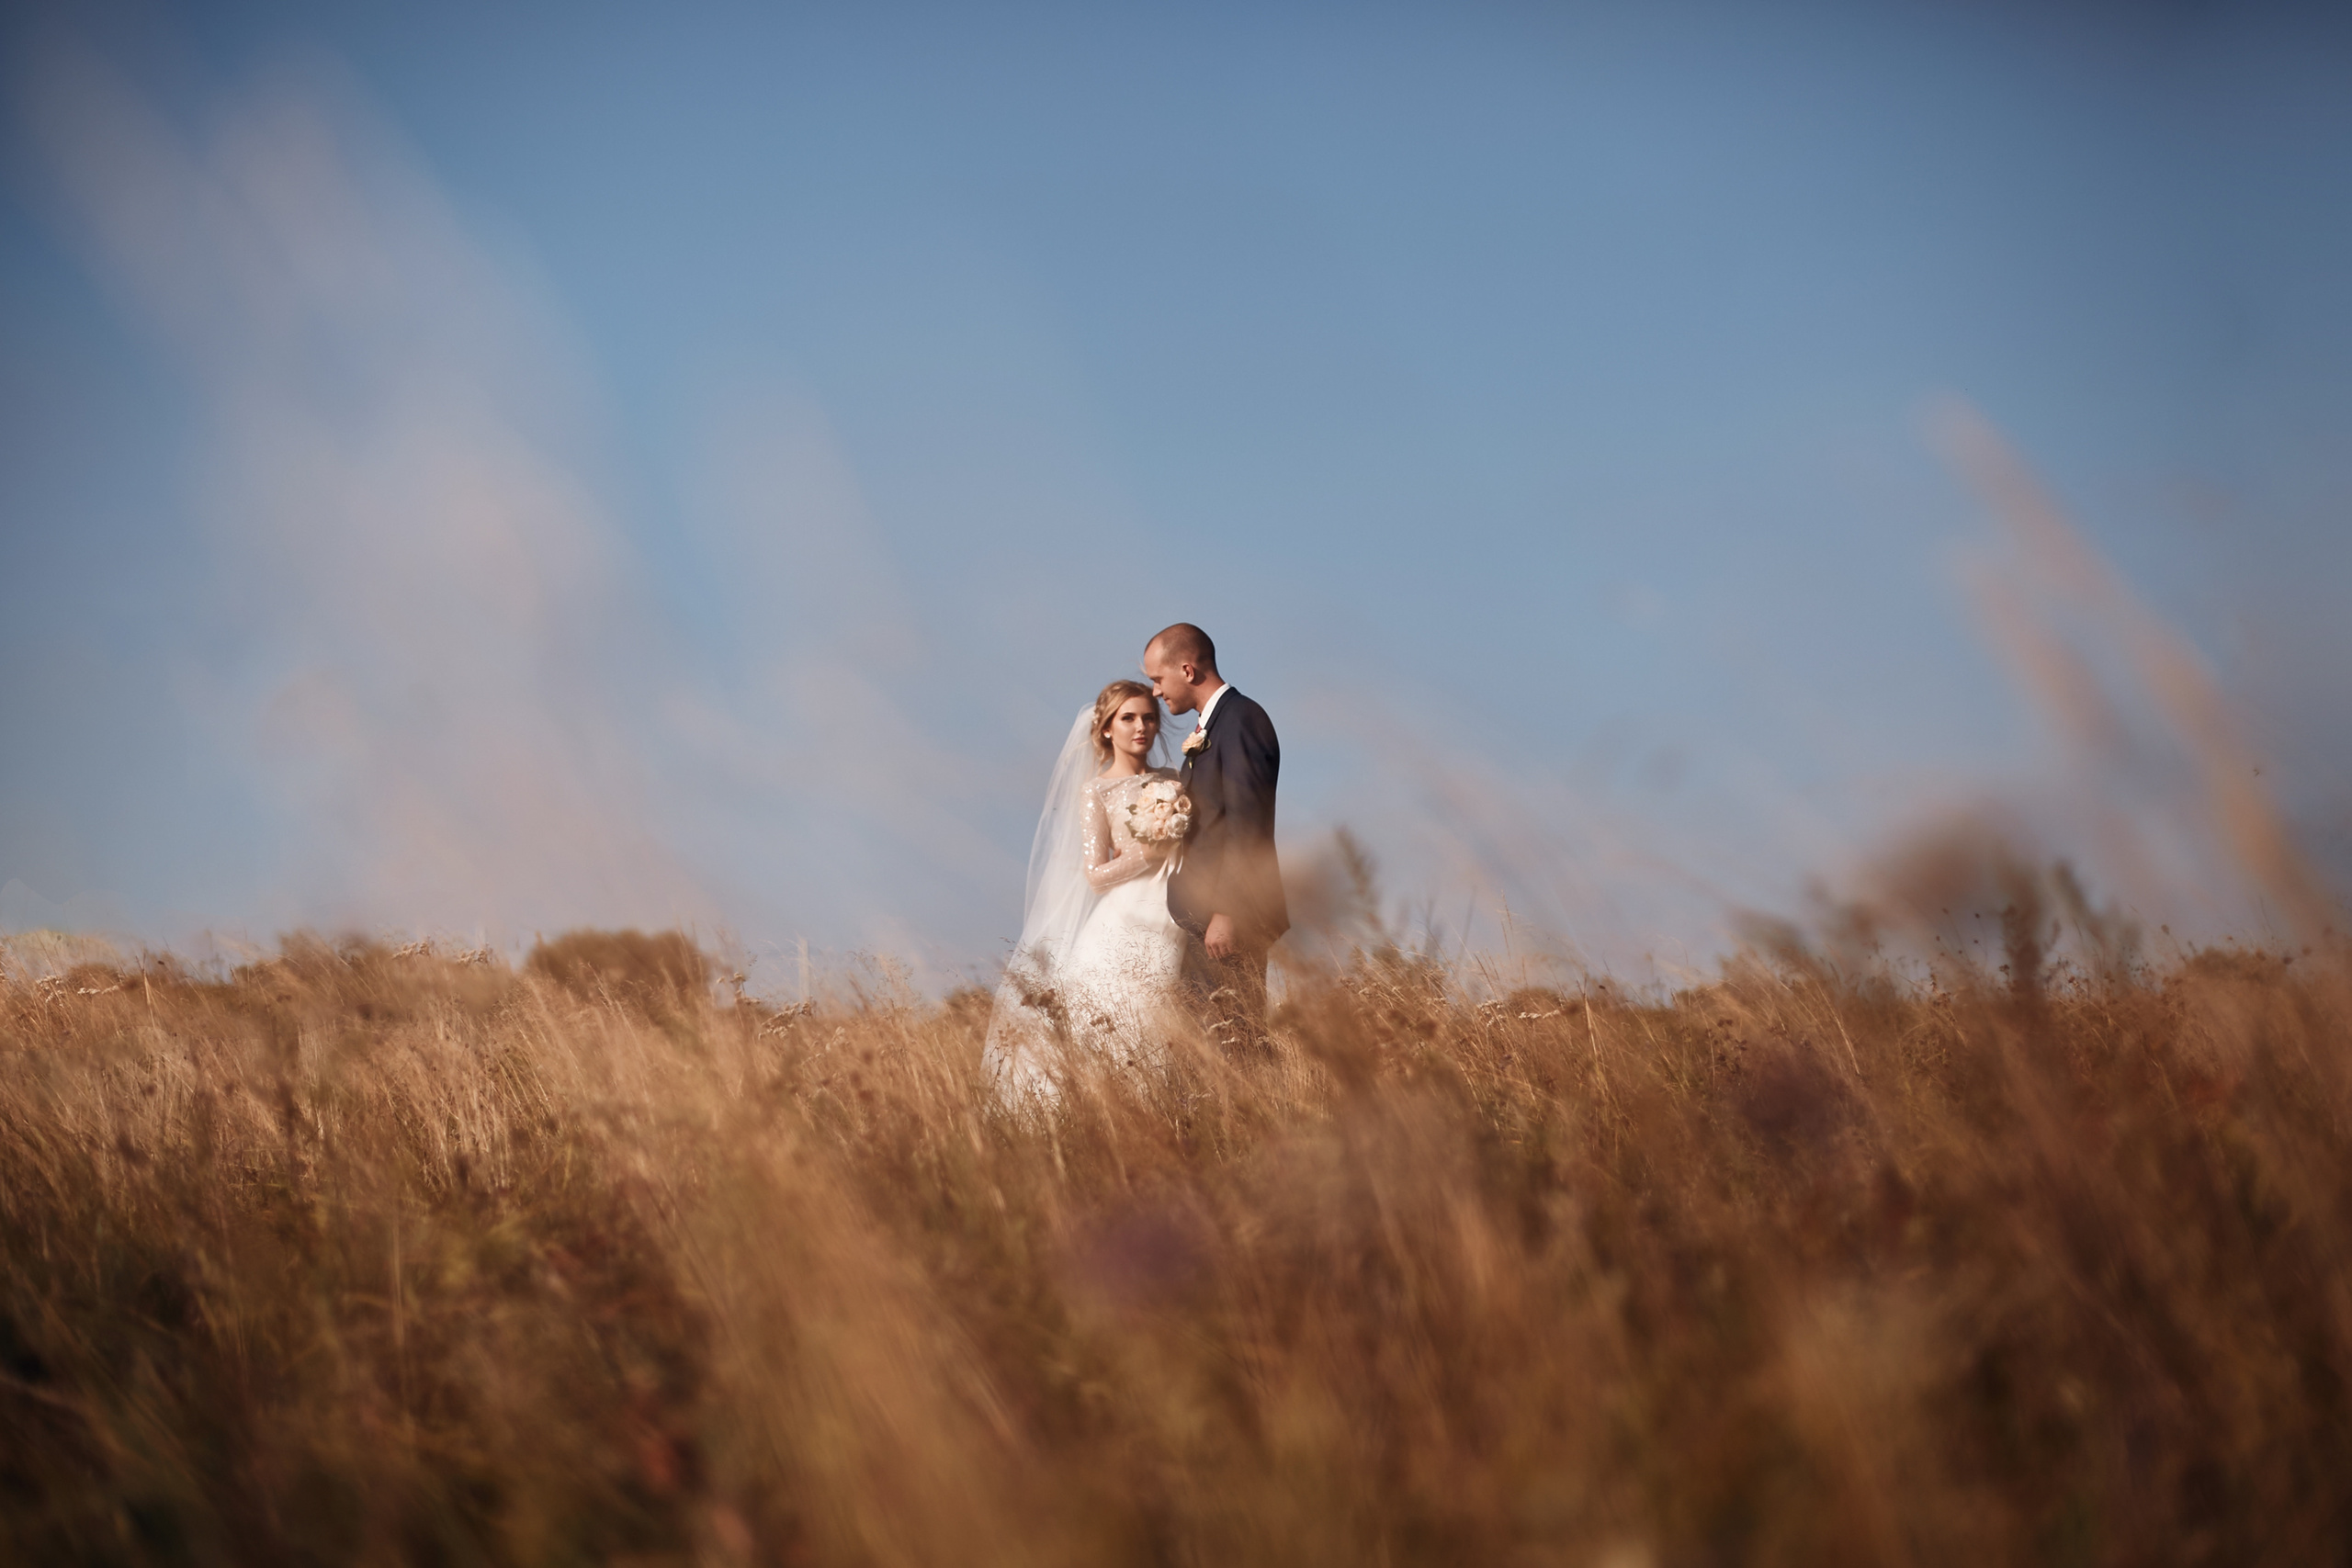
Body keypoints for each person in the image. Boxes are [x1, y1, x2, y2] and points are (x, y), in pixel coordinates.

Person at [983, 680, 1190, 1100]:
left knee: (1174, 1018)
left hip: (1177, 911)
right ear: (1107, 728)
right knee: (1123, 1023)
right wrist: (1147, 853)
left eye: (1149, 718)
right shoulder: (1096, 790)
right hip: (1124, 921)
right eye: (1128, 718)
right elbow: (1095, 874)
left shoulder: (1174, 780)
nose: (1141, 727)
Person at [1144, 623, 1287, 1052]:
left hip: (1227, 923)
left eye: (1157, 679)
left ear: (1187, 670)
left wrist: (1227, 912)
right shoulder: (1214, 726)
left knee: (1235, 1043)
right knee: (1209, 1045)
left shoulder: (1241, 721)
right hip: (1203, 919)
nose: (1154, 692)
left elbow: (1249, 824)